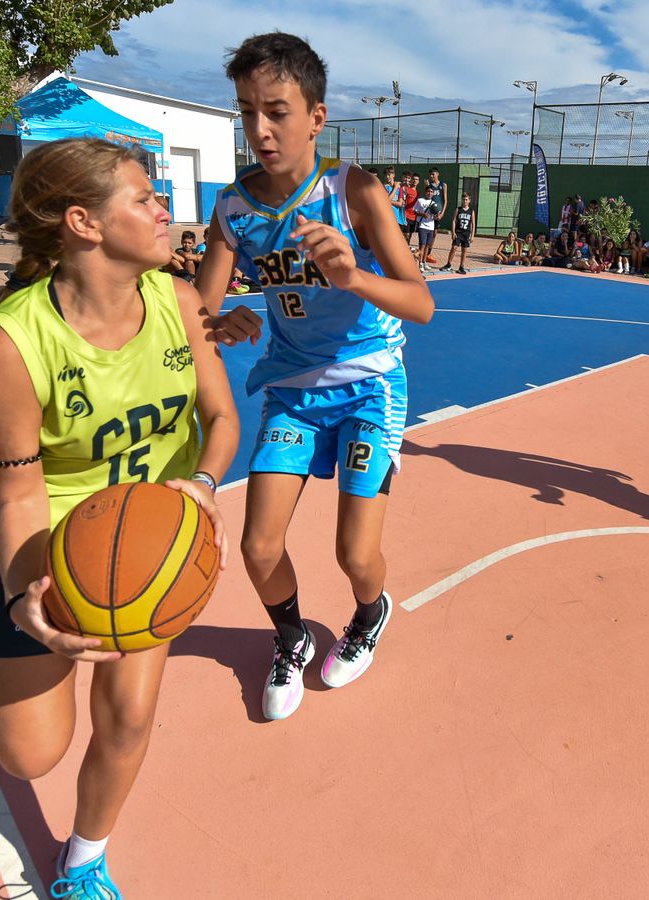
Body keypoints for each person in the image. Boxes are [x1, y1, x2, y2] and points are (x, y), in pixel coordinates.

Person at [0, 136, 239, 899]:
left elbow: (222, 418)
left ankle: (84, 860)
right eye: (144, 197)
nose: (165, 209)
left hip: (144, 539)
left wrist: (201, 486)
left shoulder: (179, 300)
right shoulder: (12, 342)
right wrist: (18, 602)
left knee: (130, 717)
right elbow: (19, 496)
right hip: (42, 541)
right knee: (30, 755)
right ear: (85, 222)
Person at [196, 32, 435, 722]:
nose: (260, 130)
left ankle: (369, 612)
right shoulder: (233, 208)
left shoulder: (352, 191)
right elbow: (199, 316)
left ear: (316, 117)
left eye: (276, 110)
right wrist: (223, 325)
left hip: (369, 383)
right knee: (257, 544)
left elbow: (420, 302)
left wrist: (353, 274)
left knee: (355, 554)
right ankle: (291, 637)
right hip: (295, 389)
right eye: (247, 112)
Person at [440, 192, 475, 273]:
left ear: (469, 200)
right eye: (463, 200)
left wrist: (472, 235)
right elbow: (454, 221)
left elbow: (473, 224)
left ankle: (461, 267)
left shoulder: (471, 211)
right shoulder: (458, 209)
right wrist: (453, 232)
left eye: (466, 200)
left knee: (464, 250)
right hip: (458, 232)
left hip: (466, 233)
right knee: (454, 248)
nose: (465, 201)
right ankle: (448, 264)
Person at [421, 167, 447, 264]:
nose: (431, 176)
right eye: (430, 174)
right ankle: (425, 254)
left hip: (438, 214)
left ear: (438, 174)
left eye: (433, 174)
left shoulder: (443, 185)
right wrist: (425, 186)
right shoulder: (429, 185)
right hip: (430, 213)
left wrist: (442, 213)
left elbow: (445, 200)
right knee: (429, 233)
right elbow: (426, 197)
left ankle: (428, 253)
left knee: (434, 234)